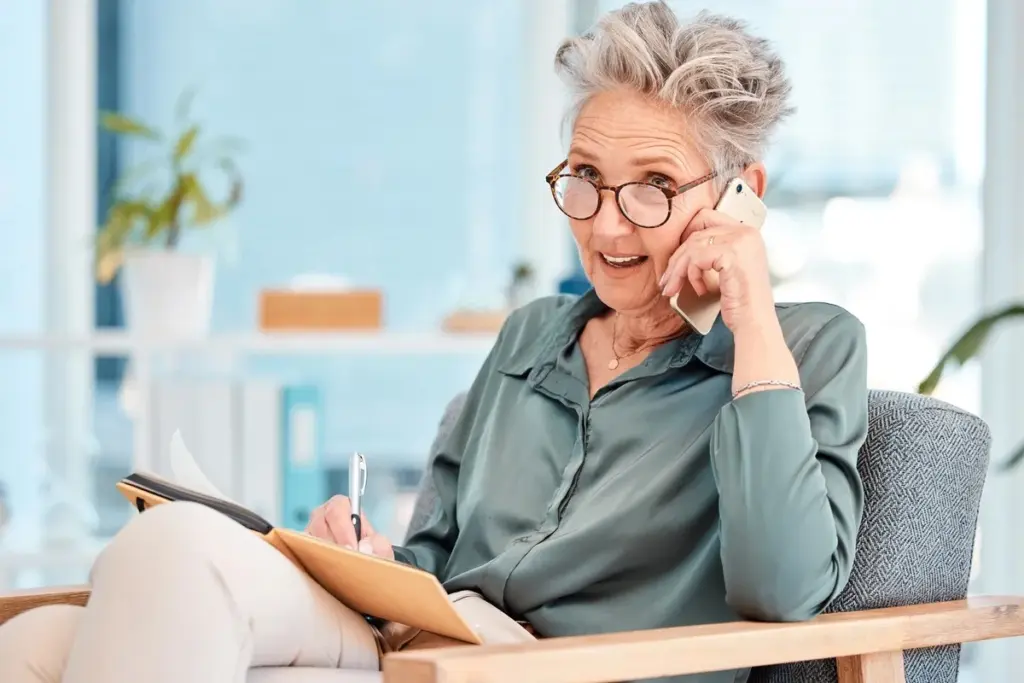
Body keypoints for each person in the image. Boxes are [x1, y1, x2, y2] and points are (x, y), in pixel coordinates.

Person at [0, 3, 869, 682]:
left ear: (740, 193)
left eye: (653, 187)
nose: (607, 225)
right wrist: (369, 556)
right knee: (39, 640)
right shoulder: (534, 335)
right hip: (424, 639)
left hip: (546, 667)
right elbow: (435, 557)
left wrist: (752, 316)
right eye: (586, 181)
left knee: (174, 552)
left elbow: (782, 586)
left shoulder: (806, 348)